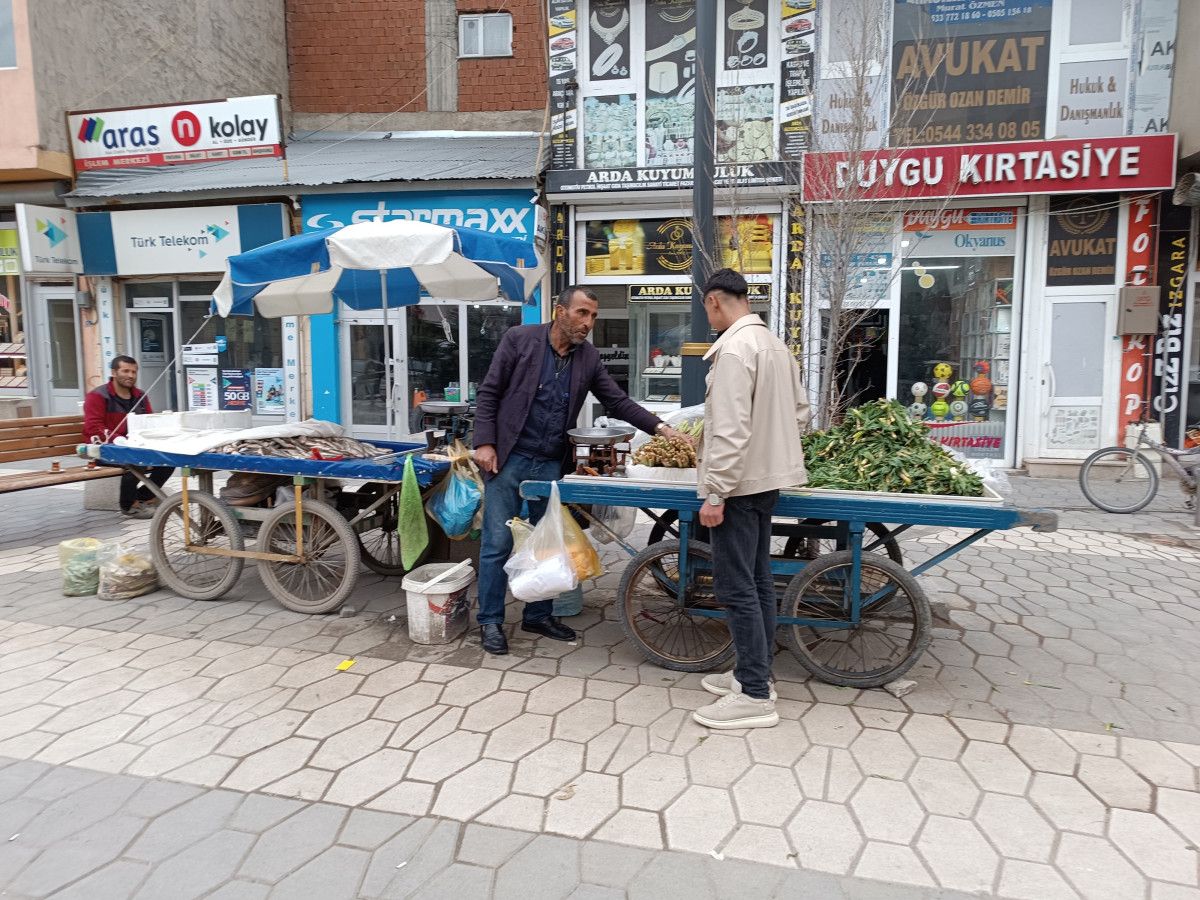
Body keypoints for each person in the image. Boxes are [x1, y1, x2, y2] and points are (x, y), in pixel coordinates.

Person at [473, 286, 688, 656]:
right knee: (497, 542)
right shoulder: (519, 340)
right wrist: (484, 442)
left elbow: (617, 401)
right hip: (509, 458)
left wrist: (662, 428)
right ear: (560, 311)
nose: (589, 323)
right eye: (582, 313)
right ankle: (490, 620)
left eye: (593, 316)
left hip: (550, 463)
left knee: (548, 542)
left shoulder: (587, 357)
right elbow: (489, 392)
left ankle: (537, 615)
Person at [692, 268, 811, 730]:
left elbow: (729, 429)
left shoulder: (735, 350)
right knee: (758, 581)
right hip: (766, 482)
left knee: (736, 587)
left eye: (706, 308)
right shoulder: (774, 345)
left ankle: (756, 696)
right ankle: (752, 673)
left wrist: (715, 492)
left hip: (738, 487)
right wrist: (771, 452)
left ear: (715, 301)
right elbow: (800, 414)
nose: (708, 317)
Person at [83, 355, 173, 520]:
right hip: (103, 449)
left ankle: (144, 496)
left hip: (134, 447)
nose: (130, 375)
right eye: (125, 371)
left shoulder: (140, 396)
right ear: (114, 372)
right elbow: (94, 427)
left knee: (170, 459)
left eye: (133, 372)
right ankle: (128, 505)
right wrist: (120, 440)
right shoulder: (97, 396)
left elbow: (149, 423)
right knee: (134, 460)